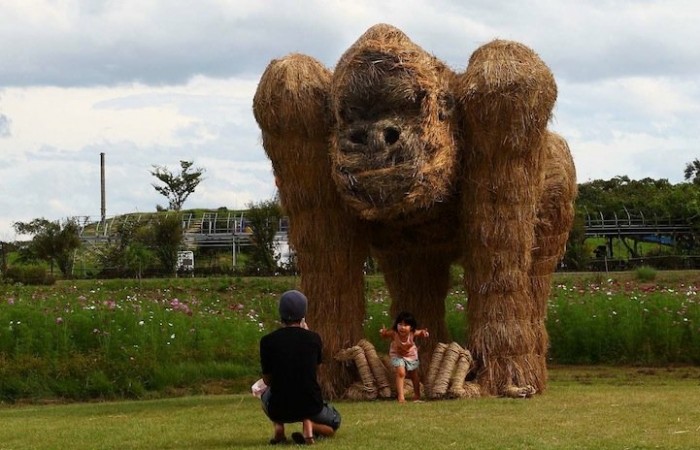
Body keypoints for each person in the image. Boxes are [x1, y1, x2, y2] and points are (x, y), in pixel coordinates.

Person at [259, 290, 341, 445]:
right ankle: (309, 425)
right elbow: (313, 372)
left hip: (278, 406)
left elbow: (268, 380)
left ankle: (279, 426)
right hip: (310, 404)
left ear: (280, 313)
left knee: (264, 395)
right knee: (334, 421)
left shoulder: (267, 341)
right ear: (303, 314)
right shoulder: (313, 338)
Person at [379, 311, 430, 403]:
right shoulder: (394, 333)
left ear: (411, 327)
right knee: (401, 373)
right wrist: (383, 332)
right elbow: (385, 335)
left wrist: (424, 333)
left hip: (411, 354)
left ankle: (417, 395)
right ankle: (401, 397)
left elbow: (421, 332)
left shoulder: (412, 333)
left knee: (414, 375)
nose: (402, 327)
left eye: (406, 325)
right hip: (397, 354)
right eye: (400, 324)